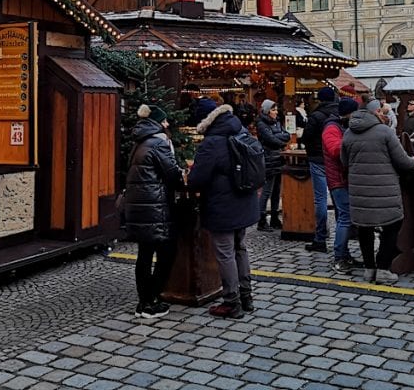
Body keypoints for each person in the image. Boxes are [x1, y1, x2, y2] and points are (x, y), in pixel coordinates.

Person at [188, 99, 259, 318]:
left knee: (225, 252)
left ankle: (231, 302)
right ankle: (246, 296)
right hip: (244, 201)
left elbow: (197, 179)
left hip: (222, 204)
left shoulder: (212, 142)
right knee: (240, 247)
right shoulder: (240, 131)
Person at [342, 99, 414, 284]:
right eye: (383, 111)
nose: (385, 115)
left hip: (359, 190)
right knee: (392, 224)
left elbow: (344, 162)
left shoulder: (348, 133)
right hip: (384, 190)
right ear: (376, 112)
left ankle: (369, 269)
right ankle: (383, 268)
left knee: (364, 227)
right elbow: (402, 161)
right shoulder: (384, 132)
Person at [123, 104, 184, 318]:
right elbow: (172, 175)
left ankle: (143, 301)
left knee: (145, 254)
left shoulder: (139, 143)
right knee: (167, 253)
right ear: (159, 123)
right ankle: (151, 300)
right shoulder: (159, 143)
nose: (168, 124)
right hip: (155, 207)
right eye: (165, 121)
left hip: (139, 206)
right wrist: (182, 174)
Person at [299, 87, 338, 253]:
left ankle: (320, 238)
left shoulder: (316, 116)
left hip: (317, 159)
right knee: (338, 199)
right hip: (336, 159)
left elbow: (306, 137)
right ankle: (344, 234)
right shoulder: (339, 114)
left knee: (320, 199)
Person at [325, 97, 360, 273]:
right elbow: (334, 150)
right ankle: (339, 257)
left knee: (345, 216)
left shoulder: (341, 126)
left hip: (344, 178)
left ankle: (344, 254)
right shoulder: (331, 128)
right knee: (345, 217)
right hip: (338, 179)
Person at [256, 99, 290, 231]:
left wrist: (279, 139)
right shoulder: (261, 123)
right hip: (269, 159)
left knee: (277, 190)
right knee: (267, 190)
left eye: (276, 109)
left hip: (278, 158)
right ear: (267, 111)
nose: (276, 112)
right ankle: (261, 219)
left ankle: (275, 217)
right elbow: (270, 139)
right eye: (273, 110)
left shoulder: (276, 122)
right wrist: (280, 140)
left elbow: (286, 135)